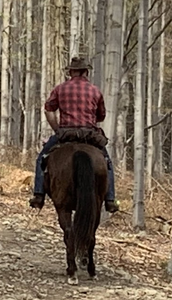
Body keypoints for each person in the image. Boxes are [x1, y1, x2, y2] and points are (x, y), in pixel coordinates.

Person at [29, 55, 119, 213]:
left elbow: (49, 110)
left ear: (71, 72)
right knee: (107, 163)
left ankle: (38, 195)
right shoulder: (95, 91)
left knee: (42, 159)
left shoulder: (60, 89)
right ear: (86, 72)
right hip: (89, 135)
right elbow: (101, 116)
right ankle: (110, 199)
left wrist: (57, 129)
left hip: (66, 133)